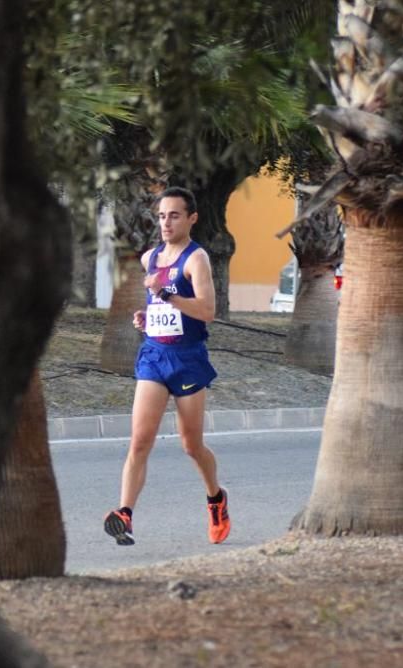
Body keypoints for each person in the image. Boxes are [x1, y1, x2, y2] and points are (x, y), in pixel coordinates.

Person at [103, 186, 231, 546]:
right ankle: (124, 514)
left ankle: (216, 498)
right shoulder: (150, 259)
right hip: (154, 357)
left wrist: (167, 296)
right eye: (161, 215)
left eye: (174, 215)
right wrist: (148, 316)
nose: (166, 222)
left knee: (191, 445)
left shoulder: (196, 259)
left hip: (188, 360)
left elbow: (207, 312)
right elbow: (160, 306)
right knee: (139, 441)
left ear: (191, 218)